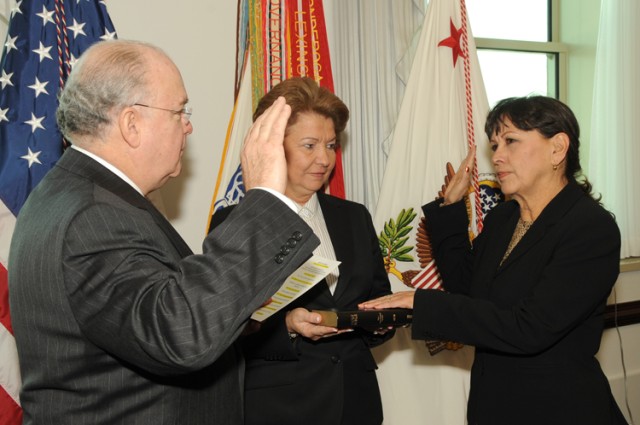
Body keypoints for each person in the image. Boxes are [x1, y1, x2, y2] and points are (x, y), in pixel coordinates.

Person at [8, 40, 320, 424]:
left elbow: (144, 318)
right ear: (131, 124)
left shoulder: (73, 193)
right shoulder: (94, 215)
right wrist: (265, 201)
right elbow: (180, 333)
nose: (188, 124)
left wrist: (237, 317)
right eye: (179, 111)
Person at [361, 96, 628, 425]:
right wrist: (451, 208)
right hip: (494, 405)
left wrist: (423, 302)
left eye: (511, 141)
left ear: (558, 148)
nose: (497, 157)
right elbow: (466, 288)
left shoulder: (590, 228)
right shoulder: (505, 217)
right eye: (494, 145)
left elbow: (529, 329)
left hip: (558, 409)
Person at [209, 77, 394, 425]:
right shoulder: (237, 222)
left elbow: (376, 296)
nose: (324, 159)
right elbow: (219, 326)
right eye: (310, 146)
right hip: (281, 406)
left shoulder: (354, 216)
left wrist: (380, 322)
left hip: (356, 401)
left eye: (331, 145)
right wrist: (289, 326)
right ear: (274, 148)